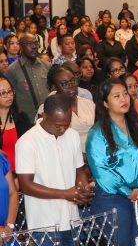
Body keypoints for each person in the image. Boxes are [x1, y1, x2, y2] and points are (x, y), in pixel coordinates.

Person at [86, 78, 138, 245]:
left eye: (125, 94)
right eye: (116, 96)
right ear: (105, 103)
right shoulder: (97, 133)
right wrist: (128, 192)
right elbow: (101, 170)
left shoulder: (135, 125)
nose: (124, 99)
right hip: (112, 196)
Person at [16, 93, 94, 245]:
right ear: (44, 116)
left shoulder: (72, 135)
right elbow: (26, 185)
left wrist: (82, 188)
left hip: (72, 218)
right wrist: (65, 194)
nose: (63, 129)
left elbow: (79, 170)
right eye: (58, 125)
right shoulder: (27, 142)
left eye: (67, 123)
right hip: (44, 223)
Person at [5, 34, 50, 124]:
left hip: (48, 118)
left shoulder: (46, 66)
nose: (34, 47)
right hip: (26, 121)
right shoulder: (11, 70)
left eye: (36, 43)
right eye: (29, 44)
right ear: (21, 47)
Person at [0, 77, 31, 175]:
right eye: (3, 93)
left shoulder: (22, 118)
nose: (9, 95)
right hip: (3, 175)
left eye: (10, 91)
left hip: (24, 172)